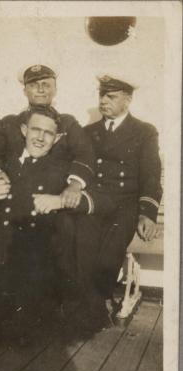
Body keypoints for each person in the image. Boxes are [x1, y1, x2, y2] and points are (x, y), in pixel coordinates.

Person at [0, 106, 117, 343]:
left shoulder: (65, 173)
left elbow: (107, 202)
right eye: (35, 130)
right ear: (23, 130)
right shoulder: (1, 167)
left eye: (48, 133)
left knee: (26, 334)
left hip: (36, 265)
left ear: (57, 138)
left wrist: (62, 200)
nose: (40, 138)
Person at [74, 74, 163, 330]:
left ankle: (94, 303)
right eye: (101, 95)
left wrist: (147, 213)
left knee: (109, 252)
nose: (103, 101)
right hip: (94, 202)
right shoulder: (88, 132)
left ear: (128, 99)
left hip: (125, 205)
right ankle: (89, 305)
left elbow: (150, 174)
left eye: (110, 96)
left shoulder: (144, 132)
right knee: (82, 244)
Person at [0, 64, 95, 210]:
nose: (40, 90)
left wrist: (74, 186)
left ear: (55, 90)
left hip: (49, 204)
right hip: (10, 201)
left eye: (46, 85)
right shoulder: (9, 122)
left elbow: (85, 154)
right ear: (25, 91)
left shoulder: (68, 123)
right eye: (34, 85)